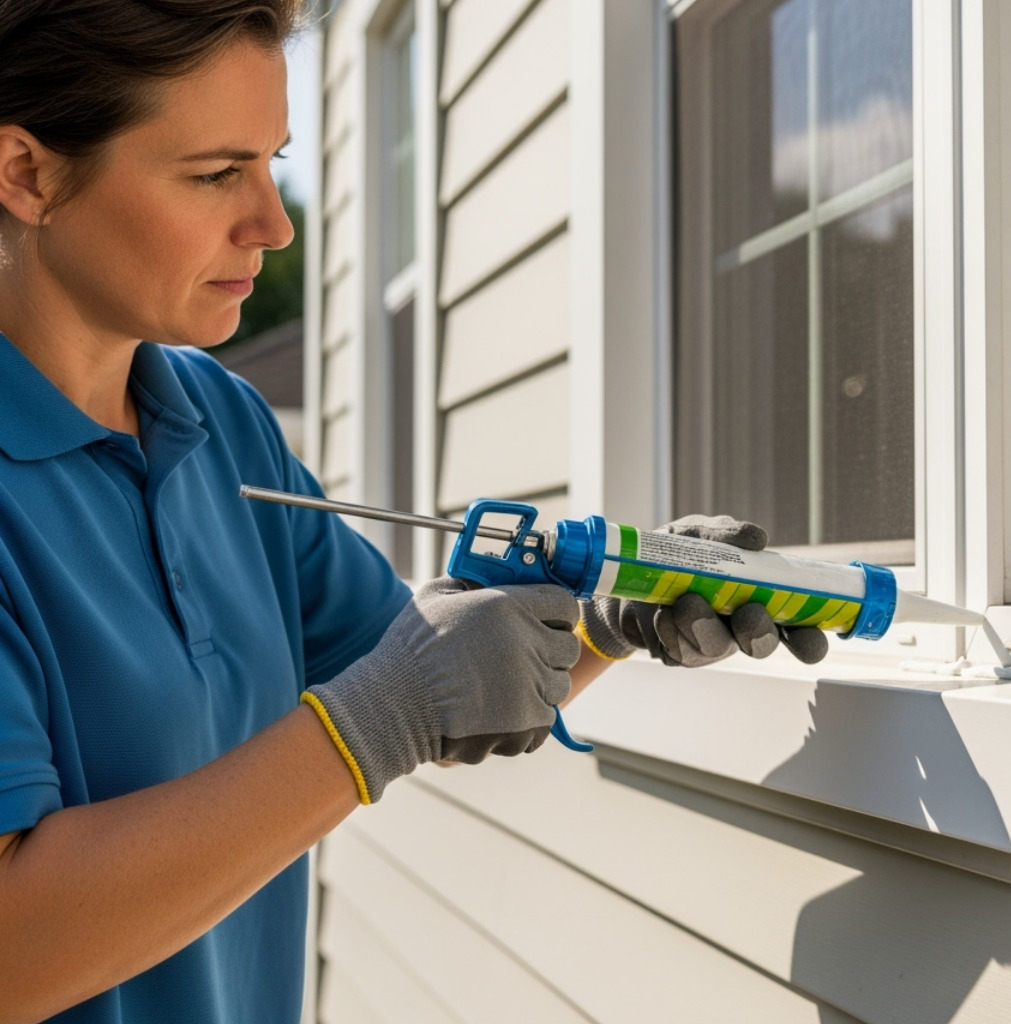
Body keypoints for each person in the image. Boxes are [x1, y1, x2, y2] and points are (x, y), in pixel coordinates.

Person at [0, 3, 820, 1022]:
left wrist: (606, 617)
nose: (274, 223)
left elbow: (414, 668)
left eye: (273, 162)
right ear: (27, 174)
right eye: (216, 174)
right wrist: (381, 716)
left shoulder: (222, 422)